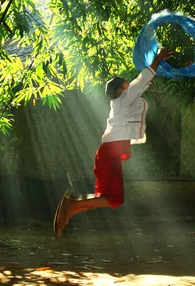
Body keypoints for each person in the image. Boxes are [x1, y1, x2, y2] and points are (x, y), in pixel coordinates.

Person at [53, 47, 173, 237]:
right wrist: (158, 57)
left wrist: (157, 67)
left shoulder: (123, 101)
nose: (130, 85)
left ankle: (72, 208)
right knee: (113, 199)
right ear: (120, 90)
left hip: (110, 151)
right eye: (127, 84)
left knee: (111, 198)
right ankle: (72, 205)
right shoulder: (124, 99)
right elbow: (142, 79)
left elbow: (143, 84)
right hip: (110, 151)